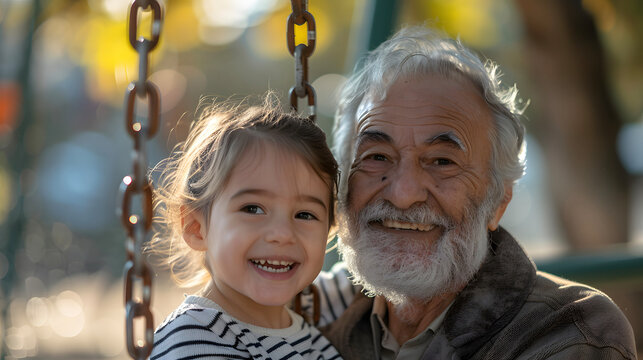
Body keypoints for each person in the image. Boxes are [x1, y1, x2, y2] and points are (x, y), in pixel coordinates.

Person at [319, 26, 638, 359]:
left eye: (442, 162)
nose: (403, 194)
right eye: (377, 157)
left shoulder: (569, 333)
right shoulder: (313, 311)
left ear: (498, 202)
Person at [148, 94, 342, 360]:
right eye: (253, 209)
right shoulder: (194, 339)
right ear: (196, 227)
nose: (283, 234)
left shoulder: (309, 332)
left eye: (305, 214)